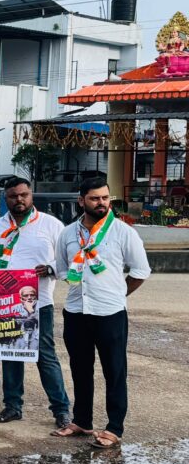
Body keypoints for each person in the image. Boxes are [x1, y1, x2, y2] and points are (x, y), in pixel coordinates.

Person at [54, 177, 150, 448]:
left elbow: (141, 271)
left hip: (110, 313)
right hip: (76, 311)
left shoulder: (122, 232)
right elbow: (61, 269)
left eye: (105, 198)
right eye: (95, 198)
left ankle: (114, 427)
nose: (101, 203)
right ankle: (82, 421)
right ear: (81, 200)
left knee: (114, 371)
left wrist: (118, 294)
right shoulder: (67, 234)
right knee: (80, 368)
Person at [0, 177, 71, 429]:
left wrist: (50, 268)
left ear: (31, 195)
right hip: (3, 302)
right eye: (13, 196)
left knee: (45, 356)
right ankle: (13, 406)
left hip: (38, 302)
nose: (19, 200)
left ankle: (61, 410)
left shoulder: (51, 225)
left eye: (24, 195)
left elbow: (69, 260)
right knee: (10, 354)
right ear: (5, 198)